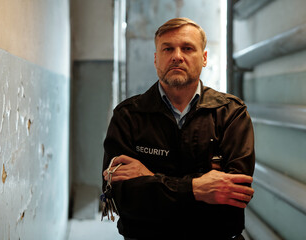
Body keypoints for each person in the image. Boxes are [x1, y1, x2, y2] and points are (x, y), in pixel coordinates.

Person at [102, 17, 255, 240]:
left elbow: (234, 198)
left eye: (187, 48)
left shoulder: (231, 113)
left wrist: (149, 178)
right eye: (167, 49)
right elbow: (121, 198)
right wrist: (197, 188)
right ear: (156, 59)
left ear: (203, 58)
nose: (177, 56)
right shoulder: (128, 116)